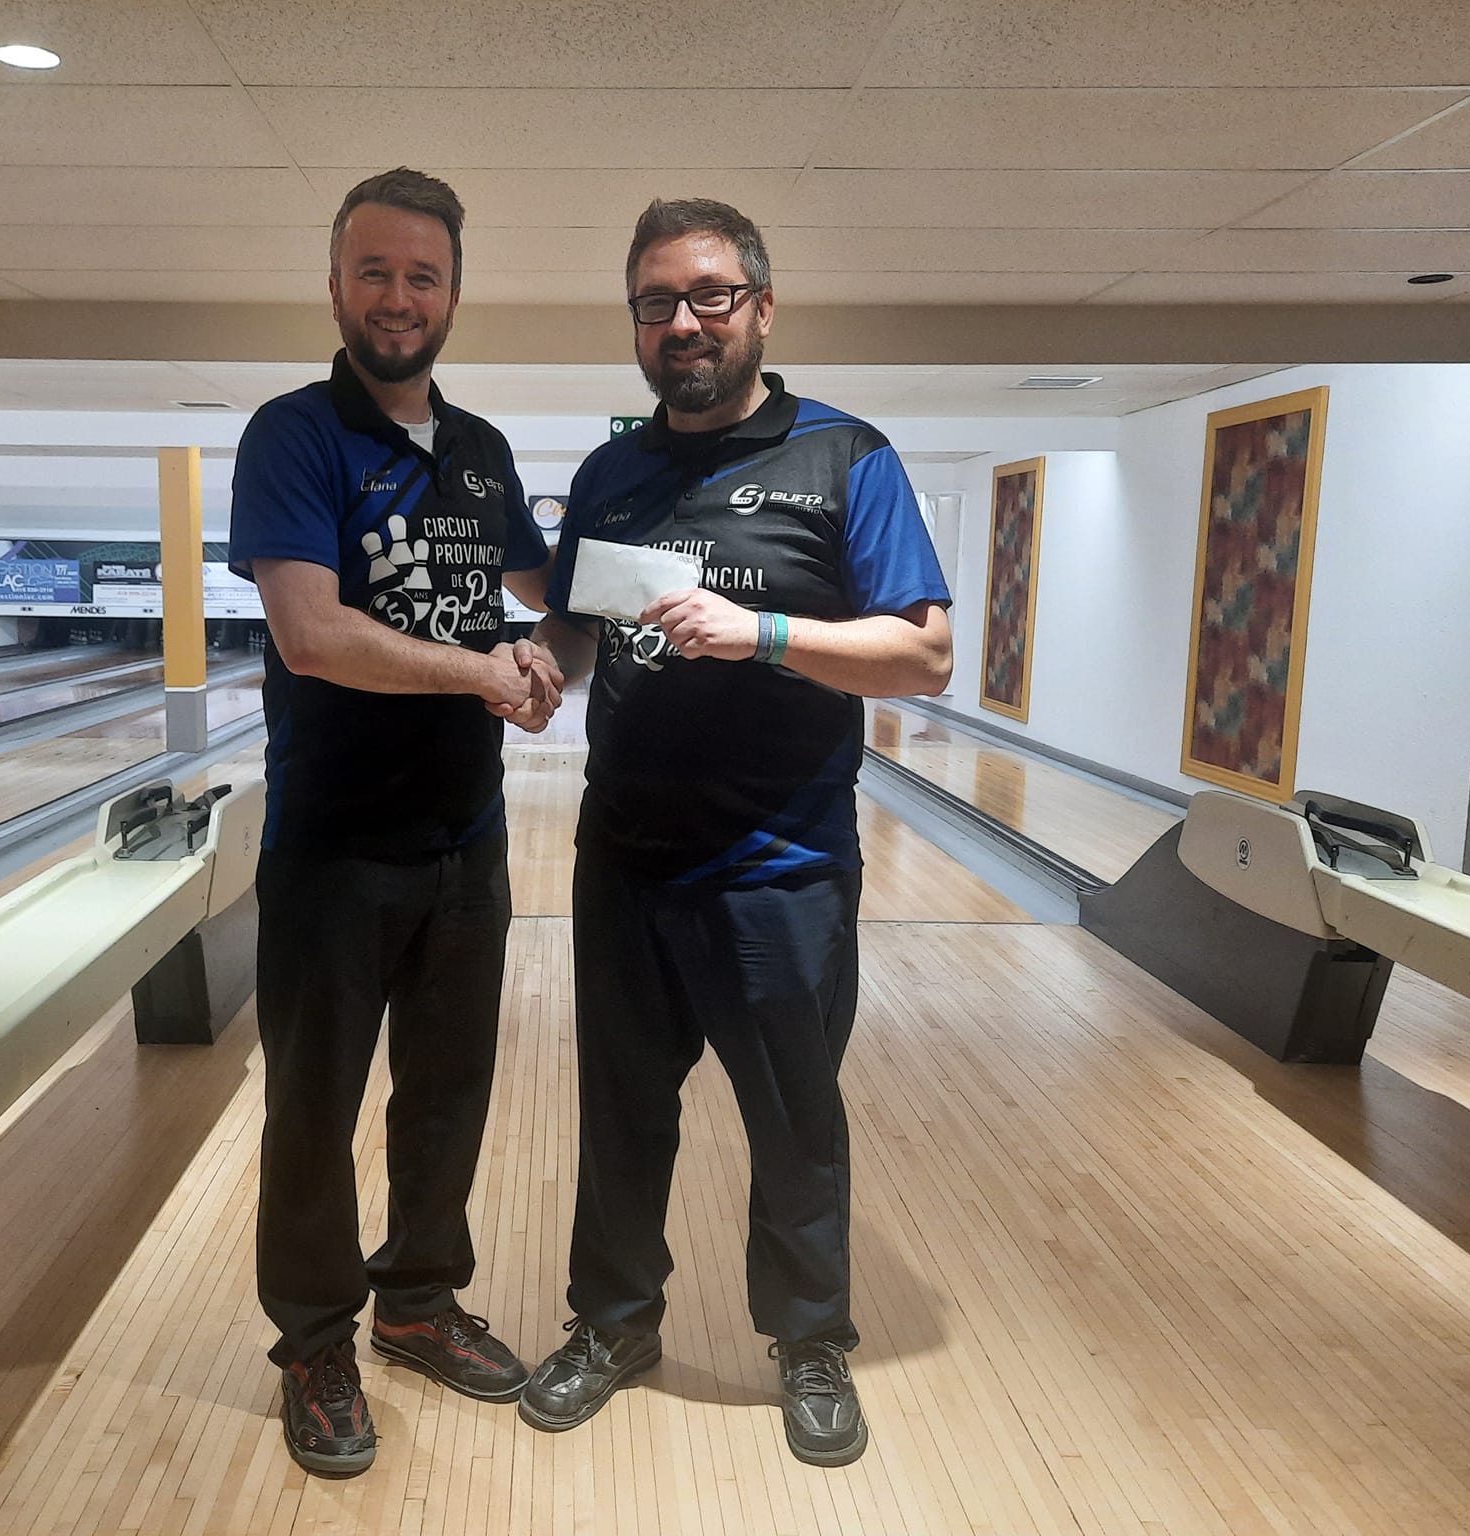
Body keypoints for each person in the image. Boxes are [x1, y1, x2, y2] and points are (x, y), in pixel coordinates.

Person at [517, 198, 953, 1467]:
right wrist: (537, 665)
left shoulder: (844, 456)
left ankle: (809, 1343)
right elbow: (582, 627)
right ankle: (612, 1326)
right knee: (619, 1113)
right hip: (624, 855)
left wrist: (758, 632)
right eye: (656, 302)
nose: (683, 322)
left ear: (760, 308)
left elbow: (922, 655)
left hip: (780, 863)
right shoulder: (612, 473)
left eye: (708, 296)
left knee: (792, 1121)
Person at [228, 167, 562, 1477]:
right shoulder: (293, 436)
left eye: (422, 275)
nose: (397, 296)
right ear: (335, 286)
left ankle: (417, 1300)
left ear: (454, 294)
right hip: (333, 844)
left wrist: (546, 649)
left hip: (465, 840)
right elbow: (311, 635)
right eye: (373, 271)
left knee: (446, 1092)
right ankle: (316, 1341)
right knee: (312, 1110)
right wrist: (486, 671)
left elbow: (546, 586)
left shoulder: (480, 451)